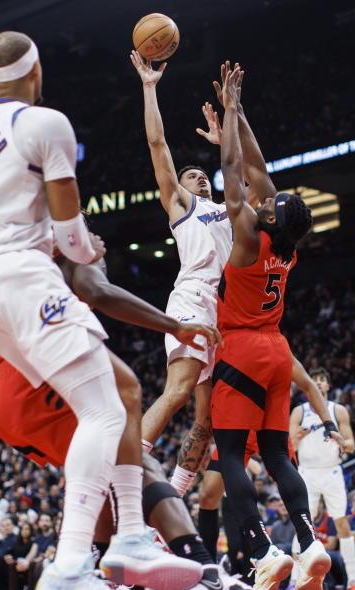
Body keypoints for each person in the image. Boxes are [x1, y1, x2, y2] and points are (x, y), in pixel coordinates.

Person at [0, 31, 178, 590]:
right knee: (103, 410)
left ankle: (130, 536)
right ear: (36, 71)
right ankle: (71, 566)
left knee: (124, 389)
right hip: (21, 278)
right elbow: (71, 232)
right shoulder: (47, 122)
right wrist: (87, 253)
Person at [0, 251, 274, 590]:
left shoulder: (19, 281)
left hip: (1, 401)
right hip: (38, 381)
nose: (101, 243)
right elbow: (100, 292)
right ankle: (205, 574)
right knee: (135, 455)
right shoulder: (72, 255)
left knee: (104, 473)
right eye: (93, 234)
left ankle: (98, 576)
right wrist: (174, 326)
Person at [130, 54, 284, 498]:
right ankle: (123, 466)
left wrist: (229, 131)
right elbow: (158, 146)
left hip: (227, 309)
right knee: (177, 389)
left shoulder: (234, 210)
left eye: (202, 172)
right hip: (194, 297)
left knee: (207, 417)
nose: (197, 175)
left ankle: (174, 498)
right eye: (189, 174)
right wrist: (149, 87)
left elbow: (255, 173)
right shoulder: (184, 207)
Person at [209, 64, 331, 590]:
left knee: (232, 456)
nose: (260, 201)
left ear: (268, 218)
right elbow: (259, 168)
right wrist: (240, 110)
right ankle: (308, 541)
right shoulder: (286, 244)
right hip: (279, 352)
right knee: (280, 456)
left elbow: (236, 169)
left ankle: (263, 551)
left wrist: (231, 115)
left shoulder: (244, 238)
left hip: (240, 348)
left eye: (266, 205)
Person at [289, 368, 355, 590]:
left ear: (328, 387)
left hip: (331, 472)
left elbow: (351, 445)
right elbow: (289, 445)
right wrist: (297, 438)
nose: (319, 384)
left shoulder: (337, 410)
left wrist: (343, 441)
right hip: (307, 473)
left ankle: (353, 582)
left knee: (342, 525)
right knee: (302, 525)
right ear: (307, 385)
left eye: (323, 381)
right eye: (314, 380)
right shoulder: (298, 412)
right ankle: (295, 580)